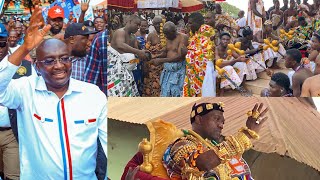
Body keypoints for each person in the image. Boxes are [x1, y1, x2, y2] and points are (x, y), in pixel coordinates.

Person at [0, 6, 107, 179]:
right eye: (49, 61)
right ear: (37, 66)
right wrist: (24, 48)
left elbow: (108, 146)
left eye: (64, 59)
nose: (59, 66)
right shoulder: (25, 91)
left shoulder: (93, 95)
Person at [122, 102, 268, 179]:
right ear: (198, 119)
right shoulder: (181, 144)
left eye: (223, 121)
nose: (221, 124)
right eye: (217, 119)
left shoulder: (217, 146)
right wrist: (246, 136)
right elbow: (201, 163)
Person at [149, 22, 188, 97]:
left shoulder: (183, 37)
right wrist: (155, 57)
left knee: (176, 93)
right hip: (168, 71)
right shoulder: (168, 37)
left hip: (178, 71)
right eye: (165, 34)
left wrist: (162, 60)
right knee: (165, 92)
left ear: (174, 31)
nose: (166, 36)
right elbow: (166, 52)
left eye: (167, 34)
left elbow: (180, 56)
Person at [183, 12, 216, 97]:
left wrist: (188, 51)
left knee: (204, 89)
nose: (189, 25)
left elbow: (203, 49)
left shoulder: (206, 30)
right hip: (193, 68)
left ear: (198, 23)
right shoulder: (194, 32)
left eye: (190, 23)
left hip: (203, 67)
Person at [143, 16, 165, 97]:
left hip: (163, 67)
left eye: (159, 24)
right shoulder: (151, 35)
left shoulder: (166, 35)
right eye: (155, 24)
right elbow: (146, 52)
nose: (157, 26)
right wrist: (145, 65)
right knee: (151, 87)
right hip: (152, 67)